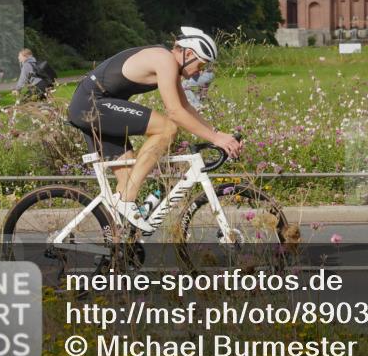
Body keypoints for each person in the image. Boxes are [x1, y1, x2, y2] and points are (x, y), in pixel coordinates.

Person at [66, 27, 241, 232]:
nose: (199, 72)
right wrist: (215, 139)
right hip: (91, 106)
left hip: (97, 108)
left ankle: (121, 243)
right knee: (167, 128)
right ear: (188, 54)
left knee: (127, 183)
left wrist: (216, 133)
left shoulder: (169, 64)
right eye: (200, 64)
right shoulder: (164, 59)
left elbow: (185, 107)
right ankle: (125, 202)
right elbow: (174, 112)